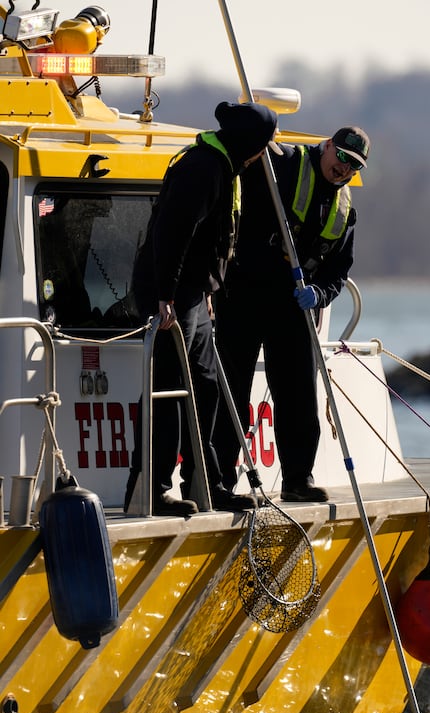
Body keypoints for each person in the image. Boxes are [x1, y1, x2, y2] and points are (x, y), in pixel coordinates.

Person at [124, 101, 282, 516]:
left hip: (192, 293)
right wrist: (165, 294)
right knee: (166, 389)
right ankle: (150, 489)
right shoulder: (204, 168)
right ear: (250, 143)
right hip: (170, 294)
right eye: (263, 146)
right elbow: (171, 233)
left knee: (207, 385)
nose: (263, 155)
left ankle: (207, 483)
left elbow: (209, 240)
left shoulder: (223, 165)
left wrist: (206, 291)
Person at [213, 125, 370, 502]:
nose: (344, 168)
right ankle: (218, 480)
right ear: (328, 146)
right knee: (231, 388)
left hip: (293, 304)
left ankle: (298, 478)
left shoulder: (345, 211)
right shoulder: (279, 163)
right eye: (341, 158)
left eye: (353, 166)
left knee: (299, 393)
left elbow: (338, 272)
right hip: (245, 293)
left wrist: (319, 294)